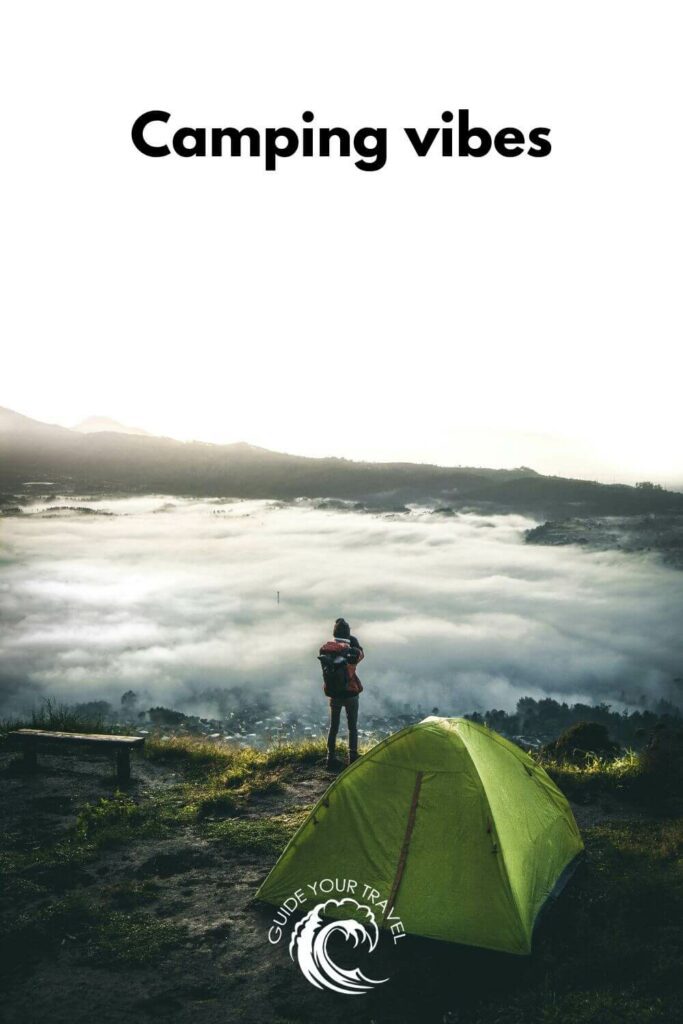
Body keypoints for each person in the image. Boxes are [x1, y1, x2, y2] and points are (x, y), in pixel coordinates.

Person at [319, 617, 364, 769]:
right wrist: (354, 642)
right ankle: (353, 755)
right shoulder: (351, 651)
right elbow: (361, 655)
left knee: (334, 727)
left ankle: (330, 757)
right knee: (352, 727)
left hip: (333, 694)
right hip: (350, 694)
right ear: (348, 634)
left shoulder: (325, 649)